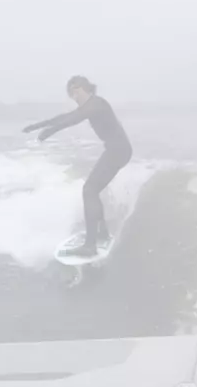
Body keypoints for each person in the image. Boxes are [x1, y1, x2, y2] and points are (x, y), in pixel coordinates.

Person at [22, 76, 132, 258]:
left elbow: (74, 118)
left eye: (76, 89)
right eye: (70, 92)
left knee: (89, 190)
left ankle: (90, 246)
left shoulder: (98, 103)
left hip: (118, 151)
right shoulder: (89, 106)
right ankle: (102, 233)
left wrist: (50, 131)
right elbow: (67, 116)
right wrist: (37, 126)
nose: (74, 94)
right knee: (92, 190)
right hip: (116, 150)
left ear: (87, 88)